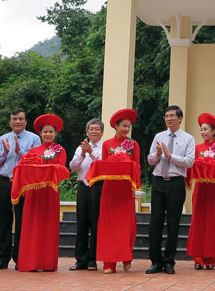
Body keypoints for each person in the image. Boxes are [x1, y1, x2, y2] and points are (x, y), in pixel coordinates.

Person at [146, 105, 195, 274]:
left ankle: (169, 262)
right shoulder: (159, 136)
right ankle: (155, 262)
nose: (168, 119)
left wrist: (170, 156)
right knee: (155, 223)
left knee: (173, 224)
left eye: (172, 116)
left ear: (180, 119)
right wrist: (158, 154)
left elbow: (189, 162)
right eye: (166, 116)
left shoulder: (188, 138)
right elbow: (150, 160)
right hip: (158, 182)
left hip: (176, 183)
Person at [16, 114, 67, 272]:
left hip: (50, 193)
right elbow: (25, 168)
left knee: (48, 227)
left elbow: (63, 170)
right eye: (45, 132)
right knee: (32, 226)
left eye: (51, 132)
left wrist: (45, 171)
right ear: (40, 133)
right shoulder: (33, 151)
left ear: (55, 133)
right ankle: (30, 262)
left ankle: (47, 263)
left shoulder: (60, 151)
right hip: (34, 193)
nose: (48, 135)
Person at [0, 109, 41, 270]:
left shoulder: (34, 138)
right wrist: (5, 152)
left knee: (22, 220)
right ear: (10, 121)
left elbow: (36, 160)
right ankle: (2, 258)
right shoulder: (3, 138)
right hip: (5, 181)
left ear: (26, 121)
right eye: (14, 119)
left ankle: (20, 257)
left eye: (20, 119)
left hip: (25, 183)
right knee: (4, 220)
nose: (17, 122)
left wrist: (19, 151)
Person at [99, 109, 141, 274]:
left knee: (126, 225)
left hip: (125, 190)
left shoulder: (134, 145)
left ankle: (126, 257)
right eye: (124, 126)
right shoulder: (107, 144)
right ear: (116, 126)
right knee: (108, 226)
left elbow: (137, 166)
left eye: (128, 127)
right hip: (109, 189)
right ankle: (109, 262)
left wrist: (126, 165)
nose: (126, 129)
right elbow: (103, 165)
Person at [186, 113, 215, 270]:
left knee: (214, 222)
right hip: (201, 190)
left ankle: (211, 258)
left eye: (205, 129)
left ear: (213, 131)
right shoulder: (196, 149)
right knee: (199, 220)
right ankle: (198, 257)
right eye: (201, 129)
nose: (203, 132)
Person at [68, 119, 104, 271]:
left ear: (102, 132)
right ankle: (80, 259)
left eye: (97, 129)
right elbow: (73, 166)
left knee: (96, 223)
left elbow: (103, 164)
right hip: (83, 186)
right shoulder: (80, 147)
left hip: (98, 186)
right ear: (87, 132)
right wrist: (83, 153)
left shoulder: (105, 147)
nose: (94, 131)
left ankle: (92, 259)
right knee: (82, 223)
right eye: (91, 129)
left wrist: (91, 152)